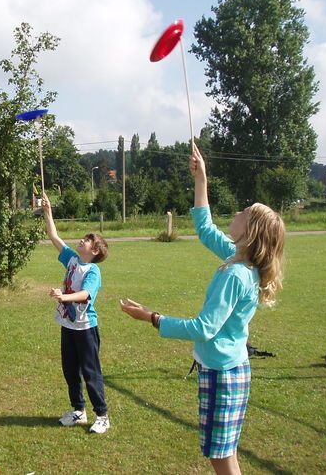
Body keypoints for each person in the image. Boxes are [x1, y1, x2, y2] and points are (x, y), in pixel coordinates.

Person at [119, 143, 285, 475]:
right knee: (223, 453)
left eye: (243, 213)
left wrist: (152, 317)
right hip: (224, 369)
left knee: (220, 456)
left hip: (224, 374)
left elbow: (203, 329)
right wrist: (201, 179)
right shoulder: (238, 258)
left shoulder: (236, 273)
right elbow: (206, 229)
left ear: (250, 231)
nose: (236, 214)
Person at [41, 192, 111, 434]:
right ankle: (79, 411)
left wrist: (63, 296)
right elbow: (54, 236)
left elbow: (86, 295)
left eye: (87, 240)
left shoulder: (92, 270)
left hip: (85, 329)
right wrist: (48, 211)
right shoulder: (71, 259)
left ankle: (102, 415)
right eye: (83, 238)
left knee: (91, 373)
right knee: (70, 371)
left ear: (95, 251)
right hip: (68, 326)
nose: (82, 241)